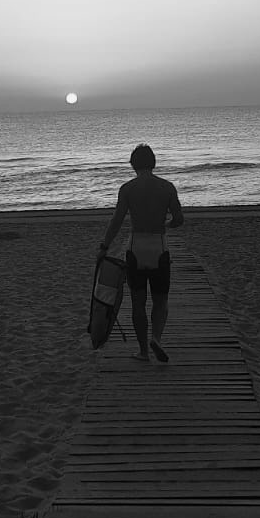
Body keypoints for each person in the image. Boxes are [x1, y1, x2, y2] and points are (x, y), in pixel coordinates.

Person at [98, 144, 184, 362]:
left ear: (133, 164)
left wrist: (104, 246)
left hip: (136, 248)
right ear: (153, 163)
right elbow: (179, 219)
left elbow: (117, 221)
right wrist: (168, 223)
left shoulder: (127, 189)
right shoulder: (167, 187)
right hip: (159, 247)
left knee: (138, 303)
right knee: (160, 301)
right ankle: (156, 337)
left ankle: (144, 351)